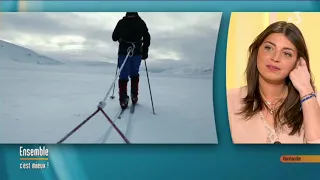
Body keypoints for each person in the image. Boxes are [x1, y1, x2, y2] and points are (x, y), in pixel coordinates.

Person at [227, 21, 320, 144]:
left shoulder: (314, 101)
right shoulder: (227, 101)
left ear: (298, 63)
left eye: (286, 53)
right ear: (256, 52)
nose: (275, 58)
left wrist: (306, 90)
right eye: (269, 48)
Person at [112, 12, 151, 109]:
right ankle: (134, 96)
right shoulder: (141, 22)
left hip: (124, 52)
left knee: (123, 75)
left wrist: (121, 37)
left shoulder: (121, 22)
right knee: (134, 73)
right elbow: (147, 37)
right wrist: (145, 50)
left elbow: (114, 37)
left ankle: (123, 100)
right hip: (136, 52)